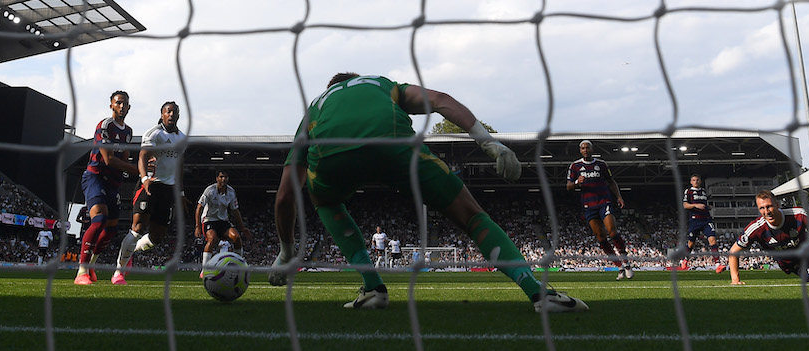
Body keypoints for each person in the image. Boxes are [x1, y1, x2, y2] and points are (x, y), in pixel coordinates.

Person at [268, 72, 587, 313]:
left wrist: (286, 251)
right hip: (395, 147)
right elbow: (441, 99)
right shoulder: (381, 84)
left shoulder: (314, 109)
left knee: (321, 197)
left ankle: (373, 289)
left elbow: (284, 196)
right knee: (473, 216)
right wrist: (489, 142)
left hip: (331, 159)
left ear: (331, 91)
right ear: (357, 80)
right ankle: (539, 294)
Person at [112, 101, 188, 285]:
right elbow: (143, 157)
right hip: (150, 185)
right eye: (168, 112)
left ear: (178, 115)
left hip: (168, 190)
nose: (171, 115)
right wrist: (145, 179)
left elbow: (179, 166)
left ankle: (131, 252)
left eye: (174, 112)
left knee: (157, 237)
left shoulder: (182, 139)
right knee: (137, 228)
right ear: (162, 114)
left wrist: (181, 192)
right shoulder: (154, 133)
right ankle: (118, 272)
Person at [75, 91, 139, 285]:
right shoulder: (105, 126)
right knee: (99, 220)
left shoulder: (128, 132)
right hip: (95, 177)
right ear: (111, 105)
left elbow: (124, 159)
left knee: (111, 230)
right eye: (118, 103)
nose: (121, 106)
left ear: (129, 107)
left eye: (124, 104)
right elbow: (109, 159)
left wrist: (138, 168)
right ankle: (81, 272)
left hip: (113, 183)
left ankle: (92, 267)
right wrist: (140, 171)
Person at [566, 140, 633, 280]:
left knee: (612, 232)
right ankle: (619, 266)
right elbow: (568, 187)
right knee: (601, 237)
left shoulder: (601, 164)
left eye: (587, 148)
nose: (585, 150)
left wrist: (619, 197)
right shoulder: (575, 166)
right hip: (589, 205)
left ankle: (626, 262)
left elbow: (611, 181)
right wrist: (577, 182)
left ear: (592, 149)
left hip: (604, 201)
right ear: (580, 150)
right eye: (583, 148)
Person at [195, 170, 251, 276]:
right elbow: (199, 207)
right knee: (212, 239)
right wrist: (197, 226)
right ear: (217, 178)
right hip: (209, 219)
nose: (223, 179)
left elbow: (235, 210)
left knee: (236, 237)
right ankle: (204, 270)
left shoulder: (231, 192)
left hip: (223, 220)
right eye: (221, 177)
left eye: (225, 177)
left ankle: (240, 265)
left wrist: (243, 228)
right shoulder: (209, 190)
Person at [682, 174, 724, 273]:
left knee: (713, 240)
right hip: (695, 220)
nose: (696, 181)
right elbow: (685, 205)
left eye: (697, 180)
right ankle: (685, 260)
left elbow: (703, 204)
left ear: (700, 181)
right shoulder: (688, 191)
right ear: (691, 182)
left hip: (706, 220)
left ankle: (718, 264)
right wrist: (696, 205)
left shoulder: (704, 192)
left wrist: (707, 207)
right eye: (693, 180)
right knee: (690, 243)